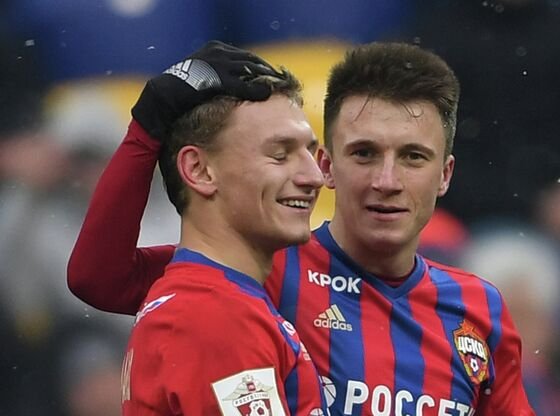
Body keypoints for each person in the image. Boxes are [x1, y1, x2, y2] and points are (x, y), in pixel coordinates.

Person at [68, 42, 533, 415]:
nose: (387, 181)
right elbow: (99, 278)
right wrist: (148, 125)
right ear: (326, 166)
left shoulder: (479, 310)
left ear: (445, 175)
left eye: (413, 157)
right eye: (364, 154)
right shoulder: (262, 268)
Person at [71, 40, 328, 415]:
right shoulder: (216, 316)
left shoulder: (211, 297)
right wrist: (146, 126)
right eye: (280, 154)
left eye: (311, 152)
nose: (315, 176)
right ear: (199, 170)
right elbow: (100, 276)